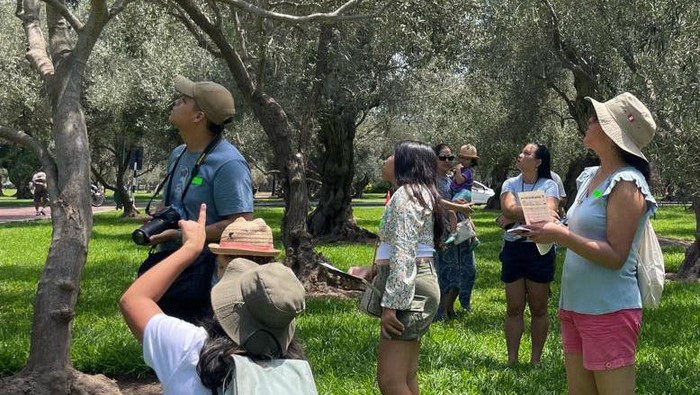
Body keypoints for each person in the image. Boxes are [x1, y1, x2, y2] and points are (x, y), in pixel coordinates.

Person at [526, 92, 658, 394]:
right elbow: (588, 223)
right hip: (576, 306)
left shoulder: (627, 184)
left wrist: (561, 235)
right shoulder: (595, 180)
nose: (589, 120)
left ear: (614, 135)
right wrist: (554, 225)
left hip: (608, 310)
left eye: (597, 118)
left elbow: (615, 256)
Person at [120, 203, 315, 395]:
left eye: (222, 267)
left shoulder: (188, 349)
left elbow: (133, 300)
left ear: (225, 279)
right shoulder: (297, 375)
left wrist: (190, 248)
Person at [139, 75, 254, 322]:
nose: (175, 103)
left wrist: (181, 235)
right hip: (172, 264)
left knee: (198, 349)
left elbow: (241, 224)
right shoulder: (178, 154)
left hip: (204, 277)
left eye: (182, 101)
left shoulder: (229, 164)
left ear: (198, 116)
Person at [373, 141, 443, 395]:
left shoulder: (407, 195)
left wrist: (392, 304)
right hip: (420, 282)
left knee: (390, 380)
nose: (385, 159)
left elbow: (404, 250)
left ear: (406, 163)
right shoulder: (419, 192)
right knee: (406, 375)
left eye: (392, 155)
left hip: (409, 289)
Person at [497, 143, 559, 365]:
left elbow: (550, 212)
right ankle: (511, 359)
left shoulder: (550, 184)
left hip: (539, 250)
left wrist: (516, 214)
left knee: (539, 308)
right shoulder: (510, 183)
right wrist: (537, 211)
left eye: (526, 153)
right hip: (514, 248)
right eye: (520, 151)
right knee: (514, 308)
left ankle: (535, 360)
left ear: (538, 162)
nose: (520, 155)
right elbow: (507, 209)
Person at [433, 143, 475, 320]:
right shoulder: (429, 181)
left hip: (460, 231)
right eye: (443, 157)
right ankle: (441, 310)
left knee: (467, 269)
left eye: (451, 157)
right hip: (442, 231)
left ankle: (451, 306)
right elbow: (435, 202)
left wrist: (471, 223)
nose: (448, 161)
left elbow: (463, 203)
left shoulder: (453, 180)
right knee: (445, 271)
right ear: (433, 159)